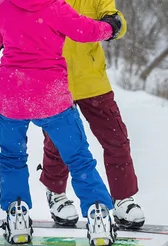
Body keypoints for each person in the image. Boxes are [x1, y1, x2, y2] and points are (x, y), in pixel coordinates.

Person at [0, 0, 123, 246]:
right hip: (51, 96)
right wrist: (110, 27)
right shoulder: (56, 7)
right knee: (78, 158)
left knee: (12, 158)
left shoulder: (2, 7)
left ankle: (17, 217)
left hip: (12, 96)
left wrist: (7, 35)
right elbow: (85, 32)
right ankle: (98, 216)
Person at [39, 0, 145, 229]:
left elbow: (114, 17)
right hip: (55, 79)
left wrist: (114, 24)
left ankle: (123, 199)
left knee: (116, 139)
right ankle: (56, 193)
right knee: (57, 144)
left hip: (93, 82)